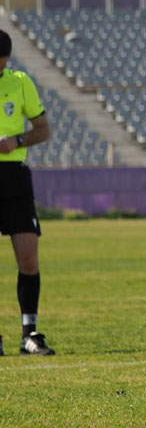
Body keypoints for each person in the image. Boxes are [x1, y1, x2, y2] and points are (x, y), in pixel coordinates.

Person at [0, 30, 54, 356]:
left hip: (14, 178)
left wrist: (16, 141)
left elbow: (43, 129)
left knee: (29, 258)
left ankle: (29, 334)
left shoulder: (20, 82)